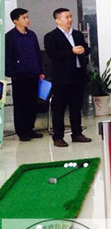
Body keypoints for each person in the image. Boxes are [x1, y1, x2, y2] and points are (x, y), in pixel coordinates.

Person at [44, 8, 91, 147]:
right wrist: (71, 51)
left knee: (76, 106)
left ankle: (77, 133)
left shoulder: (77, 34)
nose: (70, 19)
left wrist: (83, 50)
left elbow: (86, 48)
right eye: (67, 17)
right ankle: (58, 137)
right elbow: (53, 55)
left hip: (78, 75)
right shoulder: (51, 36)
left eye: (70, 16)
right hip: (61, 77)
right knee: (59, 108)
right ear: (57, 20)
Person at [5, 8, 44, 141]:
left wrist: (40, 71)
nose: (27, 20)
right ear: (15, 21)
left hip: (33, 73)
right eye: (24, 18)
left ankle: (30, 128)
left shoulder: (31, 34)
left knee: (32, 103)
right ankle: (22, 131)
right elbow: (8, 57)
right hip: (19, 75)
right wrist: (12, 72)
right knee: (21, 103)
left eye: (27, 17)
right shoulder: (10, 37)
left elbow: (37, 53)